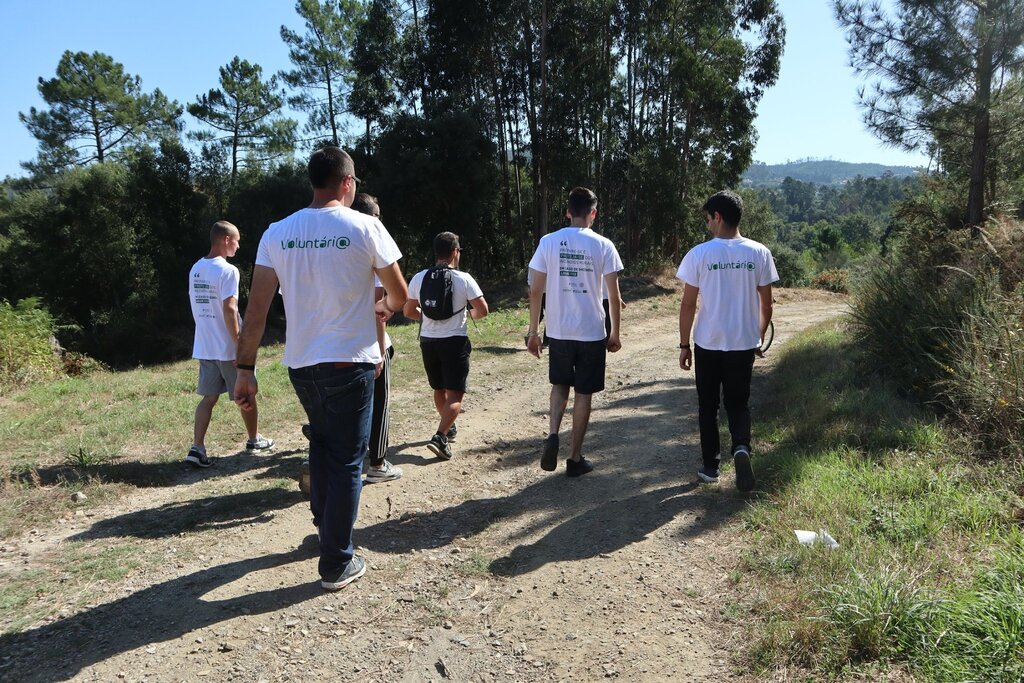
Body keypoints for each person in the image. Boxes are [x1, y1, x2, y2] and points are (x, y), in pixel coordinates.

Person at [234, 147, 409, 591]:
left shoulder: (277, 232)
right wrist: (387, 308)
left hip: (302, 364)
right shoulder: (367, 226)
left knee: (323, 442)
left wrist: (245, 369)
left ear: (313, 182)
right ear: (347, 184)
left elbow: (255, 311)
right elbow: (400, 295)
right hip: (350, 361)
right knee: (348, 459)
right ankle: (336, 561)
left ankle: (323, 523)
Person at [677, 190, 778, 492]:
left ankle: (710, 467)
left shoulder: (700, 254)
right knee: (738, 403)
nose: (708, 225)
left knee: (708, 406)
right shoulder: (760, 253)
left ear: (718, 218)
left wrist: (684, 345)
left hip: (708, 342)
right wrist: (758, 336)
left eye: (708, 219)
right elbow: (768, 304)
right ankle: (741, 448)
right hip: (743, 343)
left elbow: (687, 305)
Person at [298, 193, 403, 484]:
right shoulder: (370, 241)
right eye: (378, 215)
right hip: (363, 347)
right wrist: (380, 350)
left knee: (328, 420)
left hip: (316, 347)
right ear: (372, 216)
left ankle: (317, 466)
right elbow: (378, 306)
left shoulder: (319, 245)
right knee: (377, 406)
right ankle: (378, 464)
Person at [526, 187, 623, 477]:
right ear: (593, 213)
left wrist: (533, 331)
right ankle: (575, 457)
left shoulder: (548, 242)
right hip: (591, 331)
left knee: (559, 385)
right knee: (584, 393)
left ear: (568, 211)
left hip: (558, 329)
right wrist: (615, 331)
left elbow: (535, 290)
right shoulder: (604, 245)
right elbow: (614, 295)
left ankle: (553, 433)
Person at [186, 220, 273, 468]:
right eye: (236, 240)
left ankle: (197, 447)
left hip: (205, 346)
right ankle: (254, 439)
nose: (238, 245)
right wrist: (239, 346)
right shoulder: (228, 270)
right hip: (227, 348)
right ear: (225, 240)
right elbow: (230, 308)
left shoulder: (196, 269)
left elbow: (198, 306)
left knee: (208, 398)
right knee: (246, 393)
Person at [403, 232, 489, 460]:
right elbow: (483, 310)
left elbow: (408, 311)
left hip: (428, 342)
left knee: (439, 389)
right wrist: (468, 314)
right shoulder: (464, 278)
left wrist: (426, 317)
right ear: (455, 252)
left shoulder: (419, 277)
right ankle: (440, 436)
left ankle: (447, 426)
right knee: (456, 394)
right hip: (455, 341)